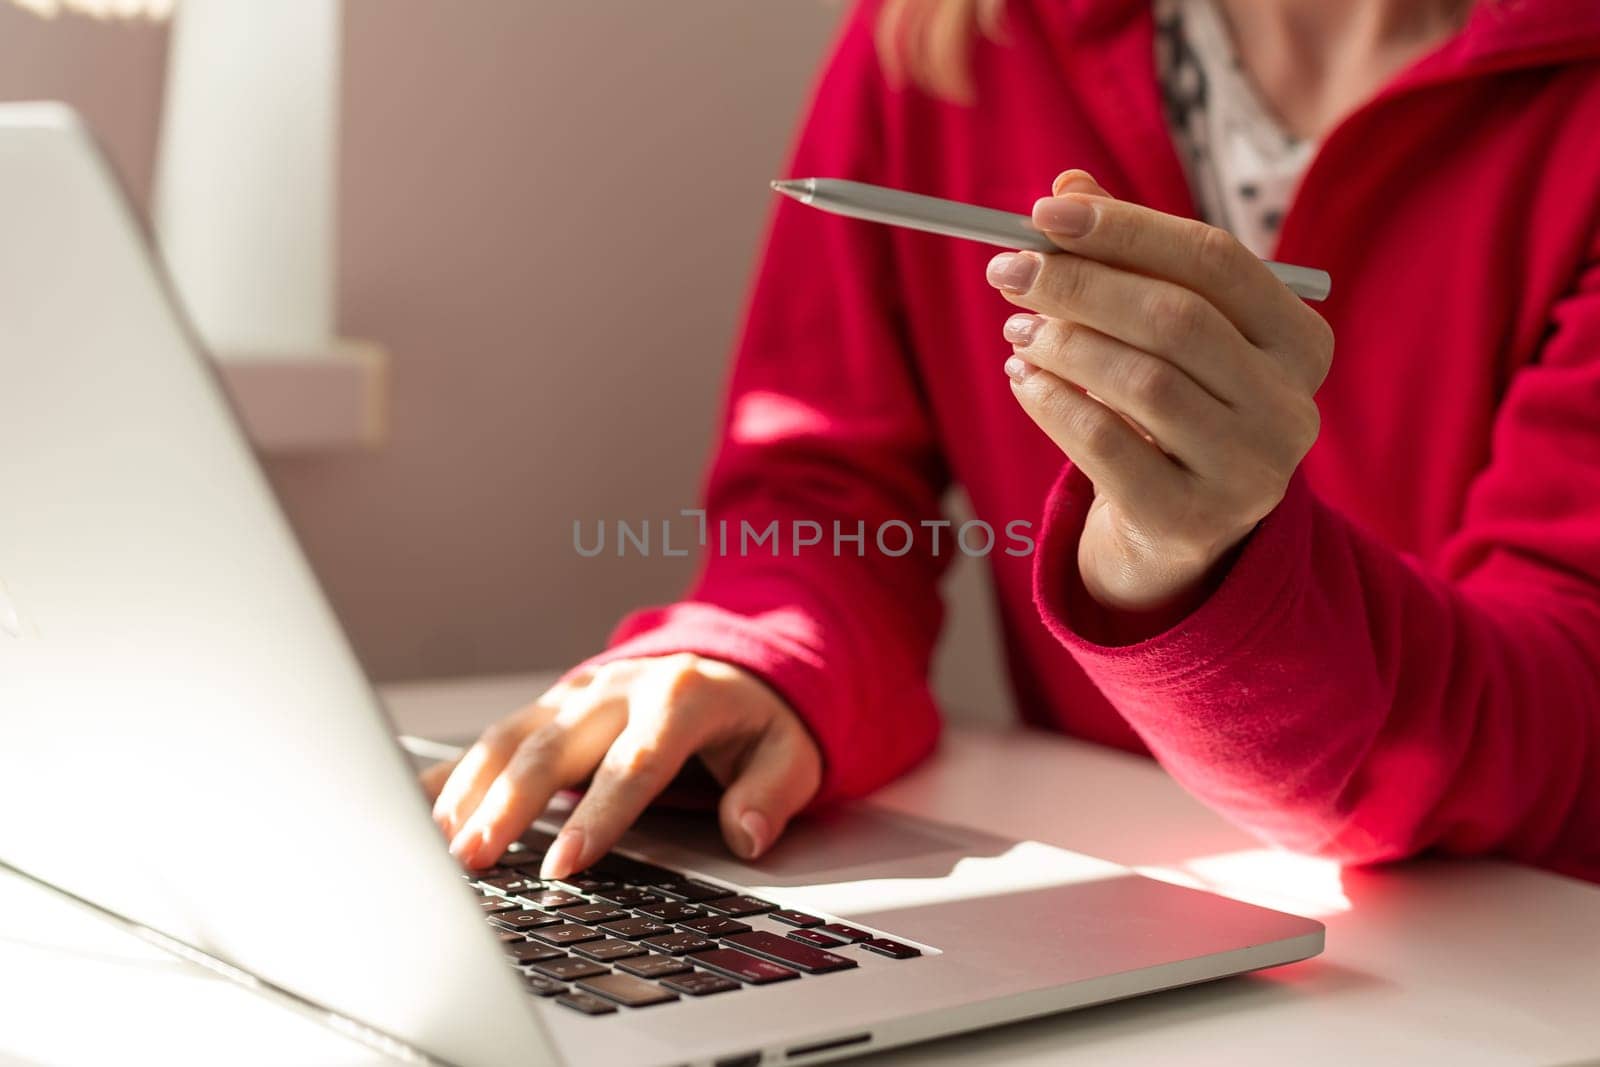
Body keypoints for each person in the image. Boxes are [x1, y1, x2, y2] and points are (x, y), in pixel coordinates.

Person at [427, 0, 1600, 885]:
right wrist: (755, 656)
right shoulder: (950, 34)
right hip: (1124, 908)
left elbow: (1559, 705)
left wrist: (1194, 575)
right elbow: (823, 491)